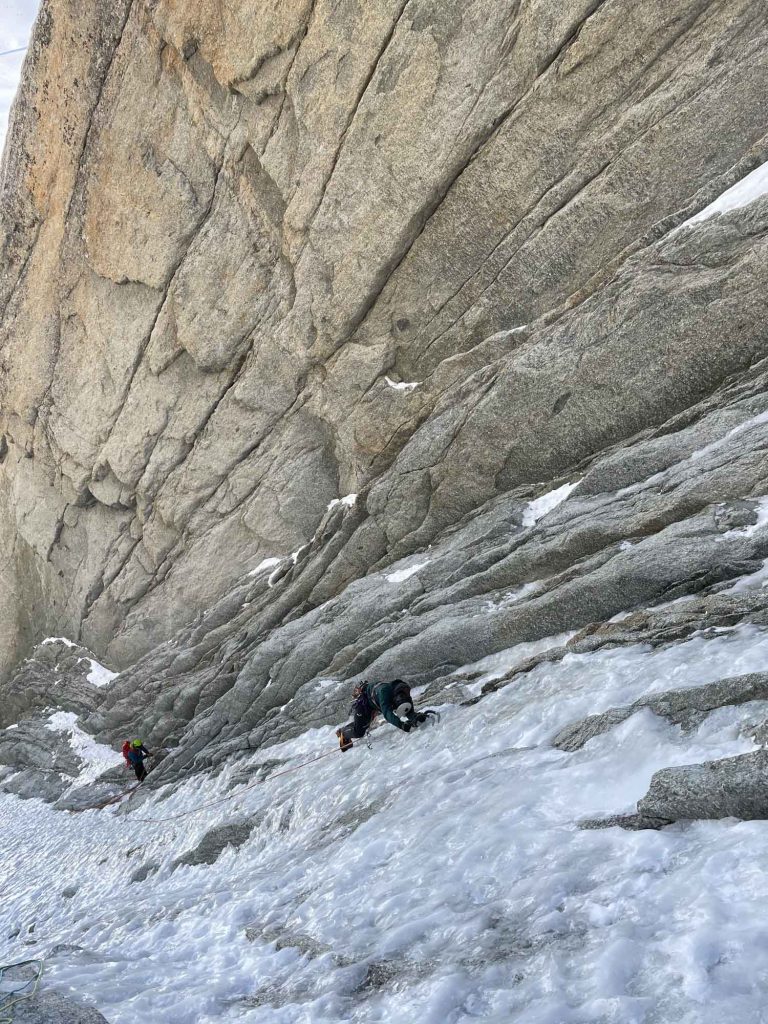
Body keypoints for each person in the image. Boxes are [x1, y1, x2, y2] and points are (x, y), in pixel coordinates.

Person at [335, 680, 434, 751]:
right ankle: (343, 732)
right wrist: (402, 725)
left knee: (364, 724)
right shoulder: (384, 692)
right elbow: (387, 714)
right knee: (359, 732)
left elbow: (407, 708)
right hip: (365, 703)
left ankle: (352, 727)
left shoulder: (403, 692)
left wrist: (414, 717)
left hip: (374, 701)